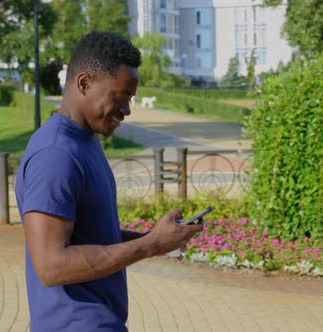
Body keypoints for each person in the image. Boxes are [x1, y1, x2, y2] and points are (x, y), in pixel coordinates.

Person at [14, 30, 204, 331]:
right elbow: (51, 265)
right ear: (84, 83)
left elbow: (91, 236)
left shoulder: (84, 141)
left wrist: (155, 238)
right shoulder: (55, 154)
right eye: (121, 97)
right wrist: (151, 245)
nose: (127, 110)